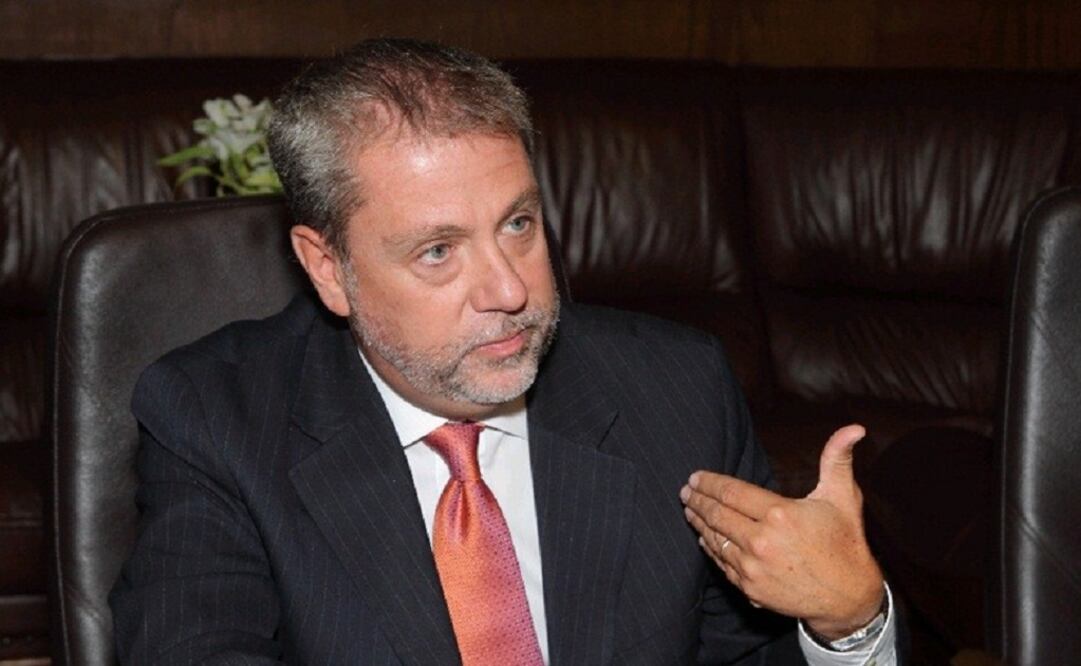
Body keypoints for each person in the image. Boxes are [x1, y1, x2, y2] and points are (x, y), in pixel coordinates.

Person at [110, 38, 898, 664]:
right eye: (438, 252)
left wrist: (847, 622)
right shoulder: (216, 416)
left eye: (517, 224)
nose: (509, 290)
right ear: (328, 268)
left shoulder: (675, 388)